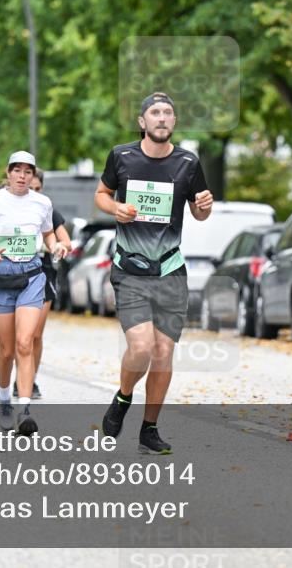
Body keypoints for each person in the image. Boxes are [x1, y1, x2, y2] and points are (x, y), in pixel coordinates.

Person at [97, 92, 213, 455]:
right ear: (142, 121)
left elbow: (199, 212)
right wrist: (115, 208)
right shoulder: (122, 156)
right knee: (142, 347)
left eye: (168, 113)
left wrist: (205, 207)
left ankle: (149, 428)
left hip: (171, 269)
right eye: (154, 112)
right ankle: (123, 397)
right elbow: (101, 194)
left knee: (163, 353)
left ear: (174, 122)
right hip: (130, 268)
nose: (162, 118)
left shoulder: (188, 163)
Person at [0, 151, 65, 435]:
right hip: (1, 279)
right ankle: (4, 399)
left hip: (31, 277)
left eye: (28, 171)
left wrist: (55, 247)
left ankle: (25, 408)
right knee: (6, 350)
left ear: (33, 175)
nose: (22, 176)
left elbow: (49, 233)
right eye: (18, 170)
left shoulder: (42, 203)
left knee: (25, 342)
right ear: (9, 172)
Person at [13, 169, 71, 399]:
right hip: (12, 273)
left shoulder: (47, 209)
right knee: (16, 336)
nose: (33, 192)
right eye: (30, 188)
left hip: (42, 272)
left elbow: (64, 239)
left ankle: (30, 379)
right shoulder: (8, 208)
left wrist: (59, 246)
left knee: (35, 334)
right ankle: (13, 378)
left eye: (37, 188)